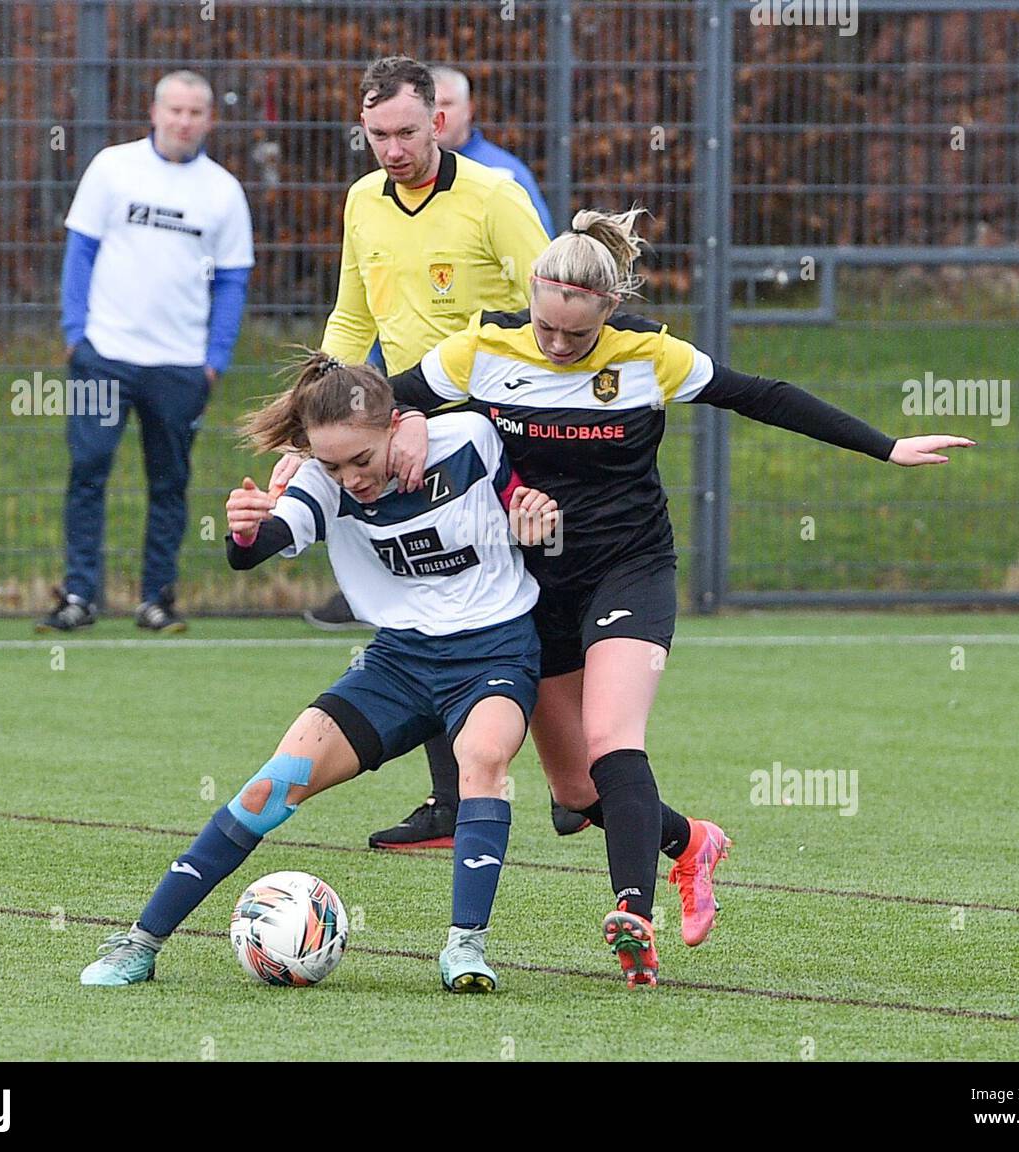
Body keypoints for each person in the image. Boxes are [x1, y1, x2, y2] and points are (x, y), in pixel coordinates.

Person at [383, 207, 975, 985]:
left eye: (577, 334)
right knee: (574, 795)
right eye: (547, 330)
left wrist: (885, 445)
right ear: (530, 295)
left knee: (613, 743)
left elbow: (764, 395)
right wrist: (406, 419)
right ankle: (691, 843)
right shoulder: (480, 349)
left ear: (608, 310)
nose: (558, 347)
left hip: (630, 569)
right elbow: (369, 402)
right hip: (529, 581)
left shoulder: (650, 357)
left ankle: (633, 910)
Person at [79, 354, 559, 993]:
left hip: (495, 651)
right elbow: (262, 545)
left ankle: (465, 949)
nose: (350, 478)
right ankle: (139, 945)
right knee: (270, 788)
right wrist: (246, 530)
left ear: (395, 425)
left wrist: (535, 519)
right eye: (332, 464)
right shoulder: (321, 480)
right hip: (397, 664)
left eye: (361, 460)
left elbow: (524, 502)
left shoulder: (466, 440)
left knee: (482, 760)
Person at [296, 56, 586, 847]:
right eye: (377, 135)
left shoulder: (494, 196)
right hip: (404, 422)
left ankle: (576, 780)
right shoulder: (362, 201)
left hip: (498, 420)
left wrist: (423, 405)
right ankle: (453, 802)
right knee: (426, 591)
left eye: (407, 132)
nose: (392, 149)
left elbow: (545, 306)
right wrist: (314, 415)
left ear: (440, 123)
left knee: (540, 585)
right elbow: (354, 320)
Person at [39, 70, 254, 634]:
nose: (184, 121)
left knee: (169, 483)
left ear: (210, 119)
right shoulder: (112, 168)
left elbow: (232, 281)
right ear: (154, 112)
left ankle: (156, 600)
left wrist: (215, 360)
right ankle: (79, 595)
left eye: (195, 112)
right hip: (103, 355)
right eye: (175, 110)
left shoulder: (223, 192)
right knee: (87, 471)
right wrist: (75, 332)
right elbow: (80, 252)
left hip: (181, 366)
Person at [432, 65, 555, 237]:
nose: (437, 113)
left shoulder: (504, 172)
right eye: (431, 104)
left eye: (447, 104)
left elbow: (539, 241)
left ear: (469, 109)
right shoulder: (406, 168)